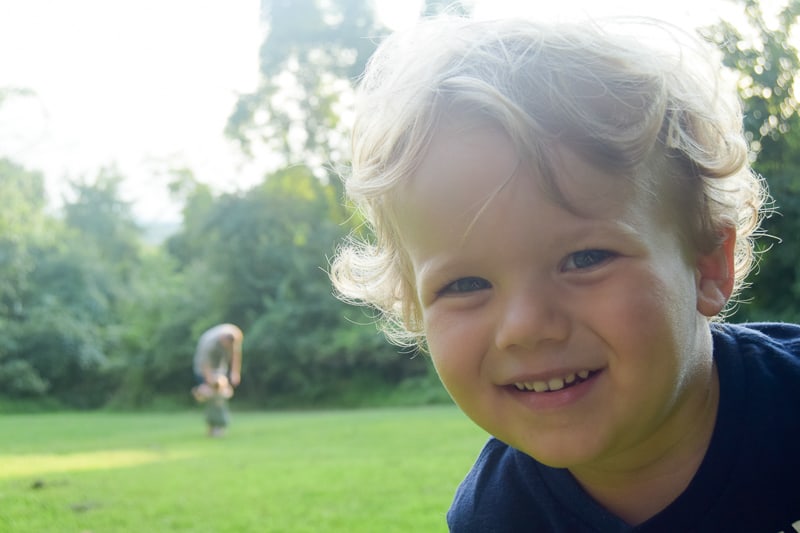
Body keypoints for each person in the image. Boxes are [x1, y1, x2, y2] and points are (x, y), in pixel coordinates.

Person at [329, 15, 800, 531]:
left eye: (585, 259)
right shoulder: (499, 516)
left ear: (709, 262)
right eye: (465, 285)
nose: (526, 327)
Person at [191, 323, 243, 436]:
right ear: (222, 339)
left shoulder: (235, 335)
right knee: (212, 396)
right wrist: (211, 383)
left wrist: (235, 373)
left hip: (219, 369)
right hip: (203, 369)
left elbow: (236, 354)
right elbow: (205, 365)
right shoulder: (208, 344)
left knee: (218, 398)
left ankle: (216, 426)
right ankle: (201, 393)